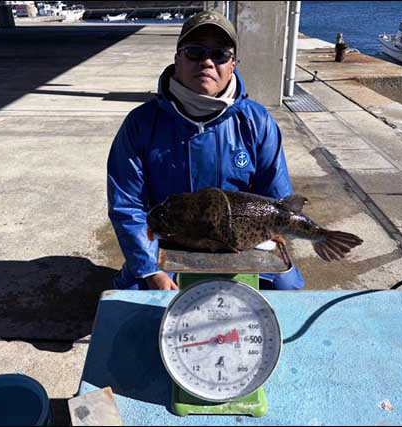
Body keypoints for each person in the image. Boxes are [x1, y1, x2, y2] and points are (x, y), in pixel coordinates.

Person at [107, 10, 305, 291]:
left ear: (233, 64)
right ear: (177, 59)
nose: (207, 62)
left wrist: (267, 242)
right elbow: (128, 207)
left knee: (286, 294)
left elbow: (276, 201)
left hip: (243, 244)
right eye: (195, 52)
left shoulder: (258, 122)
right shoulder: (140, 124)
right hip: (166, 244)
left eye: (220, 55)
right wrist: (151, 270)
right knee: (136, 309)